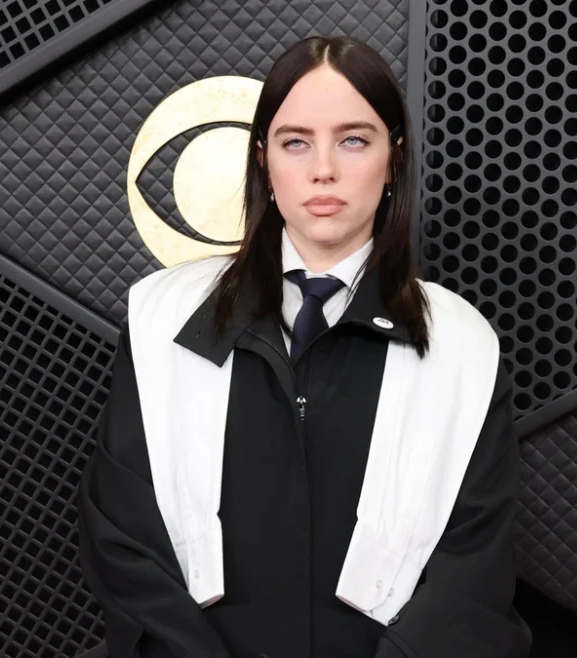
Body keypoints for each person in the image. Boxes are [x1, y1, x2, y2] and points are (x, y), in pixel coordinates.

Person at [78, 35, 531, 658]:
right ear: (262, 160)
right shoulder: (163, 319)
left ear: (394, 159)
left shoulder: (460, 345)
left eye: (353, 140)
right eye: (296, 142)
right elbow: (123, 538)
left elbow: (472, 573)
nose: (324, 169)